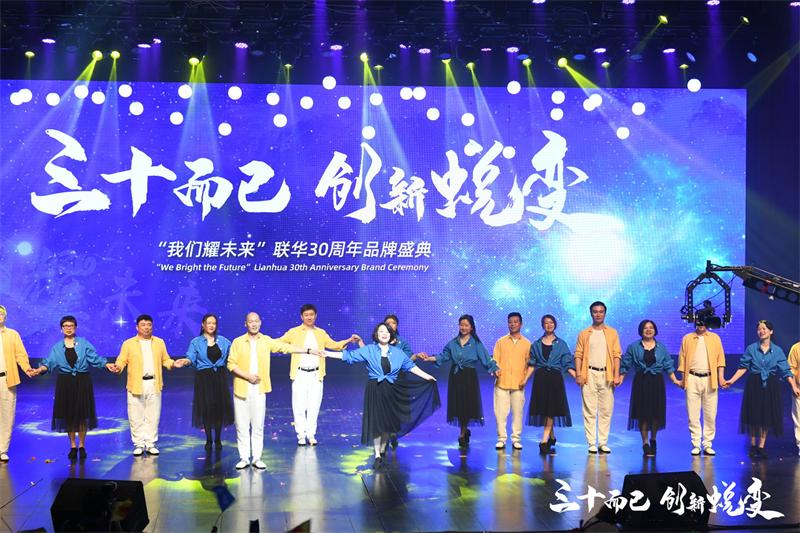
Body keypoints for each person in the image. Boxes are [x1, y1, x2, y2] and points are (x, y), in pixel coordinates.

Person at [323, 322, 438, 469]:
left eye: (387, 332)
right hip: (375, 389)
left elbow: (411, 367)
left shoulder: (397, 352)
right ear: (376, 335)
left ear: (391, 335)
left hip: (392, 390)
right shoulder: (369, 350)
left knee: (387, 423)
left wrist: (428, 376)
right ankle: (377, 454)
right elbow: (349, 356)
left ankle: (383, 449)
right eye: (381, 331)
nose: (384, 334)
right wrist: (327, 353)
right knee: (377, 423)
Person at [227, 312, 313, 470]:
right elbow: (231, 364)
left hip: (259, 389)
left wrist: (307, 351)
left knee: (258, 425)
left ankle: (257, 458)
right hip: (242, 388)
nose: (254, 324)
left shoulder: (266, 341)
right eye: (251, 321)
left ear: (260, 323)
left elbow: (285, 347)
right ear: (246, 324)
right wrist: (247, 376)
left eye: (256, 321)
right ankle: (244, 458)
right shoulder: (237, 342)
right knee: (242, 426)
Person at [276, 304, 360, 446]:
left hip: (316, 374)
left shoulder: (321, 333)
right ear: (301, 317)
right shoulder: (293, 332)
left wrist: (348, 340)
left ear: (315, 316)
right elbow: (278, 343)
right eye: (306, 315)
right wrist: (265, 342)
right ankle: (301, 435)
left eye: (311, 314)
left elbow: (334, 345)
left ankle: (311, 434)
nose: (309, 317)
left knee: (314, 405)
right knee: (299, 405)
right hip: (300, 373)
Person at [31, 316, 112, 459]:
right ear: (61, 329)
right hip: (65, 383)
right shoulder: (57, 347)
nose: (68, 328)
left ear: (75, 327)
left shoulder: (83, 343)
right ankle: (73, 446)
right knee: (68, 415)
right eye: (65, 326)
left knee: (82, 415)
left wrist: (106, 364)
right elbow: (49, 362)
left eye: (71, 325)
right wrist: (39, 369)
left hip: (83, 381)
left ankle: (82, 445)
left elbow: (95, 358)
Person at [109, 314, 190, 456]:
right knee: (135, 416)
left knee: (153, 415)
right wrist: (118, 367)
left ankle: (151, 443)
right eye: (143, 325)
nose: (146, 327)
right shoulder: (129, 343)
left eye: (149, 325)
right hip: (136, 383)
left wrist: (173, 364)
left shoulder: (159, 342)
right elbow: (121, 360)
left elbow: (165, 360)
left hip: (154, 383)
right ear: (137, 327)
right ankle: (139, 444)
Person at [723, 320, 800, 459]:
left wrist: (794, 386)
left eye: (764, 329)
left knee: (766, 416)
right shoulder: (751, 348)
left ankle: (761, 446)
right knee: (754, 415)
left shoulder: (777, 351)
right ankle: (753, 445)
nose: (761, 331)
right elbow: (743, 367)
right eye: (759, 329)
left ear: (771, 331)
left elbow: (786, 370)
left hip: (770, 385)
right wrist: (732, 380)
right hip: (754, 384)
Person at [418, 314, 498, 448]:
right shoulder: (453, 343)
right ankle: (464, 430)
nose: (463, 327)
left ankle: (462, 434)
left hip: (469, 377)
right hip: (455, 376)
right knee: (458, 405)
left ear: (471, 327)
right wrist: (428, 359)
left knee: (466, 405)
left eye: (466, 325)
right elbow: (443, 356)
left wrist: (494, 369)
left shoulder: (476, 343)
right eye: (461, 325)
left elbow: (486, 359)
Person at [620, 320, 681, 457]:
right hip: (641, 382)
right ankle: (645, 443)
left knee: (655, 414)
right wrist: (621, 378)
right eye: (645, 328)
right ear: (641, 330)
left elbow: (668, 364)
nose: (648, 330)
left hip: (656, 382)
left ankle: (653, 439)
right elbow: (626, 364)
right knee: (642, 414)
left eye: (651, 327)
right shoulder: (634, 346)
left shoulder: (661, 347)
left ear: (655, 330)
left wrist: (675, 380)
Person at [574, 301, 622, 454]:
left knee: (606, 409)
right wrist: (579, 374)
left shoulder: (612, 333)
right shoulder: (584, 333)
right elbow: (578, 355)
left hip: (607, 374)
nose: (598, 314)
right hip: (589, 374)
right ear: (591, 314)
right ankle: (591, 443)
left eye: (601, 311)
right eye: (595, 311)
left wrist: (616, 374)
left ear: (605, 313)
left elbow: (616, 355)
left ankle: (602, 442)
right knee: (589, 410)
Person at [676, 316, 726, 456]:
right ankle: (696, 443)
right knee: (693, 414)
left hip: (710, 378)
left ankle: (708, 444)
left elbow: (720, 359)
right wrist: (683, 379)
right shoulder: (687, 338)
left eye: (704, 321)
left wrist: (721, 377)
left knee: (710, 414)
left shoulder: (715, 338)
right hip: (692, 377)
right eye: (699, 321)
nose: (701, 324)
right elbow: (682, 360)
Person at [184, 313, 235, 450]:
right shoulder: (196, 342)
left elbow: (233, 356)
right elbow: (190, 357)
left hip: (220, 377)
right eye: (209, 323)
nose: (212, 325)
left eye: (214, 323)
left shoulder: (224, 341)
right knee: (206, 407)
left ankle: (217, 439)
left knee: (219, 407)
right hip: (204, 378)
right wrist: (185, 361)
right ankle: (208, 439)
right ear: (203, 325)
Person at [527, 314, 576, 455]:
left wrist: (576, 376)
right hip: (541, 379)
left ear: (555, 324)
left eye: (551, 322)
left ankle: (543, 441)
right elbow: (532, 364)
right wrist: (524, 380)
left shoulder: (561, 344)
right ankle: (552, 437)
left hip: (555, 379)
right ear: (543, 325)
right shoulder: (536, 344)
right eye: (546, 323)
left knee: (551, 409)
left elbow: (567, 362)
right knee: (545, 410)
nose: (549, 325)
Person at [492, 312, 533, 451]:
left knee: (517, 413)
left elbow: (530, 364)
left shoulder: (527, 343)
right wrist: (495, 370)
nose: (513, 324)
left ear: (521, 324)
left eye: (516, 321)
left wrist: (525, 379)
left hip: (518, 384)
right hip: (501, 383)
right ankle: (501, 439)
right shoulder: (501, 342)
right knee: (500, 413)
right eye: (510, 322)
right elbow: (495, 361)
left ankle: (516, 439)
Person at [0, 305, 33, 462]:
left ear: (5, 316)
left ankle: (2, 450)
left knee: (7, 415)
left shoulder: (13, 335)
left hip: (7, 379)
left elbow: (21, 355)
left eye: (1, 314)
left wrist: (27, 369)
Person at [789, 340, 800, 456]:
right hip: (799, 389)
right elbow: (791, 369)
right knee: (799, 420)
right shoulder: (796, 348)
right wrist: (794, 386)